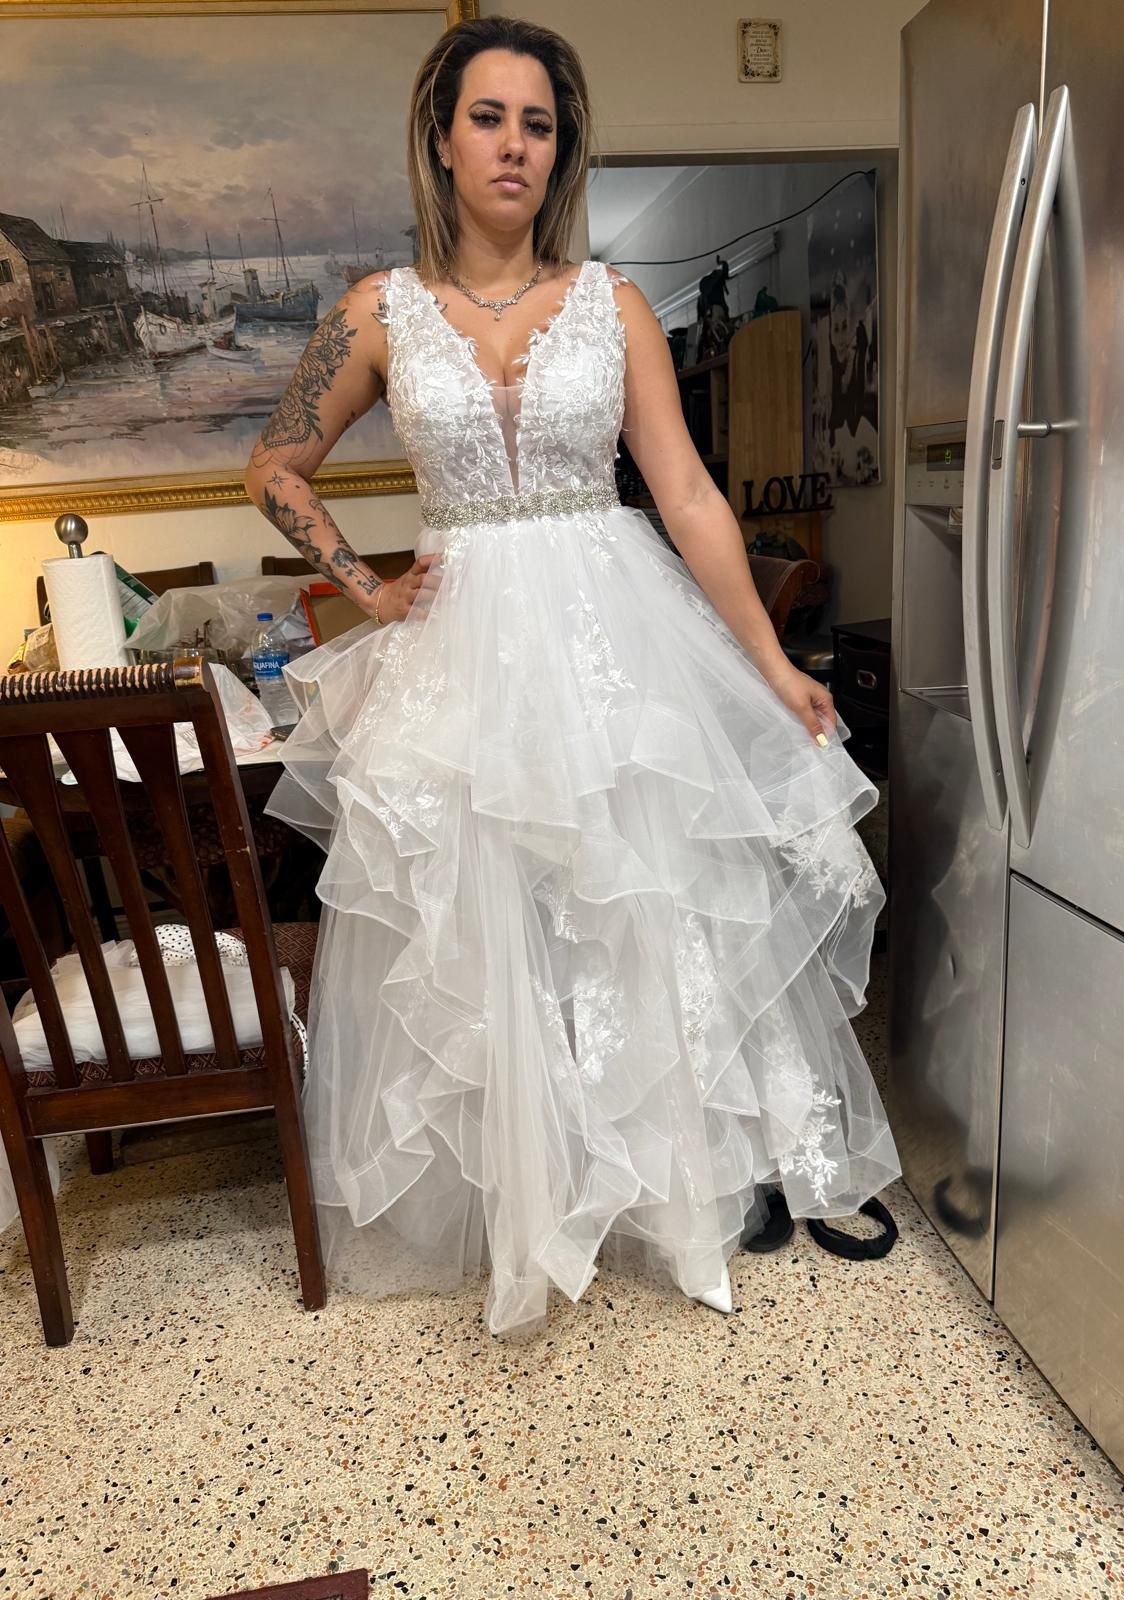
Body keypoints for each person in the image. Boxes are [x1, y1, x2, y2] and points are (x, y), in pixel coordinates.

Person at [244, 14, 899, 1338]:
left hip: (611, 633)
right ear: (442, 140)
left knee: (640, 907)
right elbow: (273, 466)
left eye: (537, 125)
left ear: (561, 150)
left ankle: (686, 1182)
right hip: (461, 649)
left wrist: (770, 661)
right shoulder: (377, 310)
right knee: (485, 922)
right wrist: (369, 588)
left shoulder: (614, 304)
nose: (514, 146)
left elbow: (690, 496)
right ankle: (530, 1197)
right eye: (488, 118)